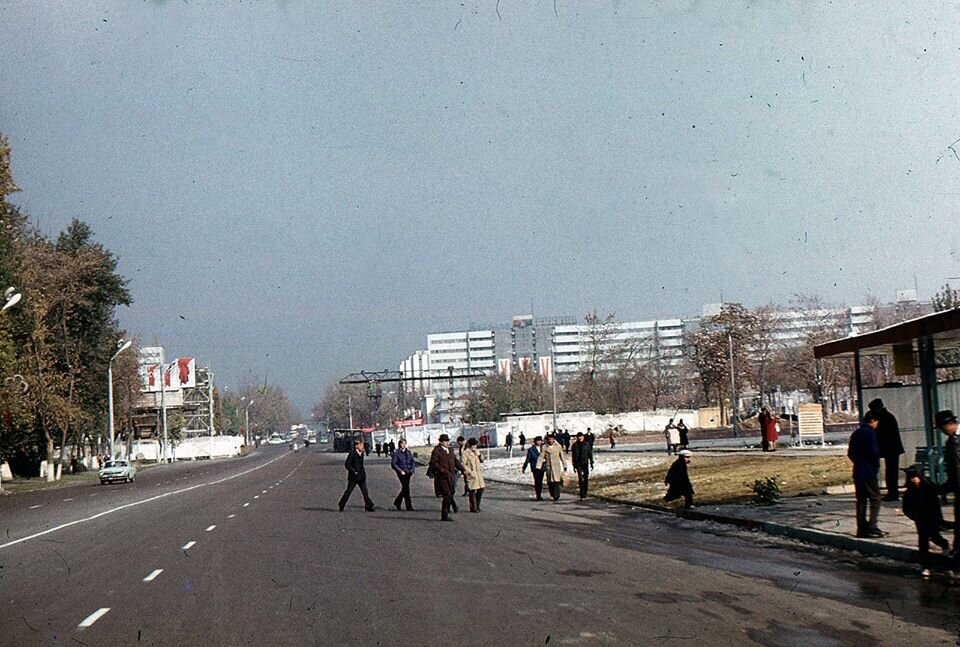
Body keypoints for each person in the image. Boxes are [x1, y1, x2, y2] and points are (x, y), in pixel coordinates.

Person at [901, 463, 950, 577]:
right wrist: (914, 516)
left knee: (934, 536)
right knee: (923, 541)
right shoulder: (909, 492)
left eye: (915, 477)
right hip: (920, 518)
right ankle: (926, 565)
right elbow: (906, 508)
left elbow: (935, 505)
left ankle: (944, 545)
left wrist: (938, 519)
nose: (913, 480)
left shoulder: (928, 487)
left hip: (931, 517)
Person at [848, 411, 885, 538]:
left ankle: (861, 528)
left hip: (858, 470)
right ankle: (872, 526)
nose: (877, 424)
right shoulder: (871, 433)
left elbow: (850, 453)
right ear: (873, 421)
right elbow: (874, 452)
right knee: (875, 498)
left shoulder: (856, 433)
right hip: (868, 471)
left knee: (861, 500)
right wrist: (874, 467)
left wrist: (858, 462)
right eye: (877, 422)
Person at [869, 399, 904, 501]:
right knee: (891, 471)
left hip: (891, 449)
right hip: (892, 449)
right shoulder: (887, 416)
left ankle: (893, 493)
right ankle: (892, 492)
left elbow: (882, 434)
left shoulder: (885, 418)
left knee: (891, 472)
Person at [936, 409, 960, 557]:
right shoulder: (952, 441)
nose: (942, 431)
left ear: (949, 424)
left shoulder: (955, 441)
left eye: (942, 428)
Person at [338, 439, 375, 512]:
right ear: (356, 446)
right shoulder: (352, 453)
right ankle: (341, 504)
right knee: (348, 492)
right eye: (360, 445)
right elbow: (347, 464)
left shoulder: (361, 453)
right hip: (353, 477)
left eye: (362, 445)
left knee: (365, 492)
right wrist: (353, 471)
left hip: (361, 476)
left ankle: (368, 506)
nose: (362, 446)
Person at [429, 434, 457, 521]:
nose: (447, 443)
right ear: (441, 442)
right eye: (445, 441)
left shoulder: (450, 450)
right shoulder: (437, 450)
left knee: (451, 493)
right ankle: (444, 515)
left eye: (448, 441)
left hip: (451, 475)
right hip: (442, 477)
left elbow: (455, 460)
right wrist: (442, 470)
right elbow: (434, 462)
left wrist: (462, 469)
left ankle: (449, 509)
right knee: (447, 495)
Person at [537, 434, 567, 502]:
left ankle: (556, 495)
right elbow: (541, 457)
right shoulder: (544, 447)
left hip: (556, 467)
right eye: (549, 439)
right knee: (550, 482)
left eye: (552, 439)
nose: (550, 440)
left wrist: (564, 465)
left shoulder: (558, 446)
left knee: (557, 481)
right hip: (549, 467)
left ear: (554, 439)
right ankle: (552, 493)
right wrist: (538, 466)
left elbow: (562, 457)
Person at [390, 438, 416, 511]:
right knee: (406, 488)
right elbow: (394, 464)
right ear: (399, 444)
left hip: (408, 472)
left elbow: (412, 461)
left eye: (405, 443)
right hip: (401, 473)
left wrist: (412, 470)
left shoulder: (408, 452)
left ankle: (397, 502)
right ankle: (409, 506)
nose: (404, 445)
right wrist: (400, 470)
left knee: (405, 488)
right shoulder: (396, 453)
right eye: (402, 443)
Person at [462, 437, 486, 512]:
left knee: (481, 489)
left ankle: (477, 505)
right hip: (472, 474)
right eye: (473, 445)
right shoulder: (466, 453)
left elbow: (482, 460)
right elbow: (463, 464)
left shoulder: (477, 452)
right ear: (470, 445)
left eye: (475, 445)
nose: (475, 446)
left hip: (478, 474)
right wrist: (470, 472)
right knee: (472, 490)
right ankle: (473, 507)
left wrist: (479, 455)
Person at [571, 432, 594, 500]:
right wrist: (574, 465)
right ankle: (582, 494)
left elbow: (590, 454)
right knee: (581, 479)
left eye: (581, 436)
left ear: (583, 437)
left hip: (585, 463)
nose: (580, 438)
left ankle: (585, 492)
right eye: (579, 436)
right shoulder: (575, 445)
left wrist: (591, 463)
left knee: (586, 478)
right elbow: (573, 456)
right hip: (578, 464)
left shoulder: (587, 444)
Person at [522, 436, 546, 500]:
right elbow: (528, 459)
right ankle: (538, 495)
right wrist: (524, 467)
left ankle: (539, 494)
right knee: (537, 481)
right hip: (535, 467)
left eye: (540, 441)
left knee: (540, 481)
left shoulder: (543, 448)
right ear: (535, 441)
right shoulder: (531, 449)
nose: (539, 442)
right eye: (538, 441)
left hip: (542, 467)